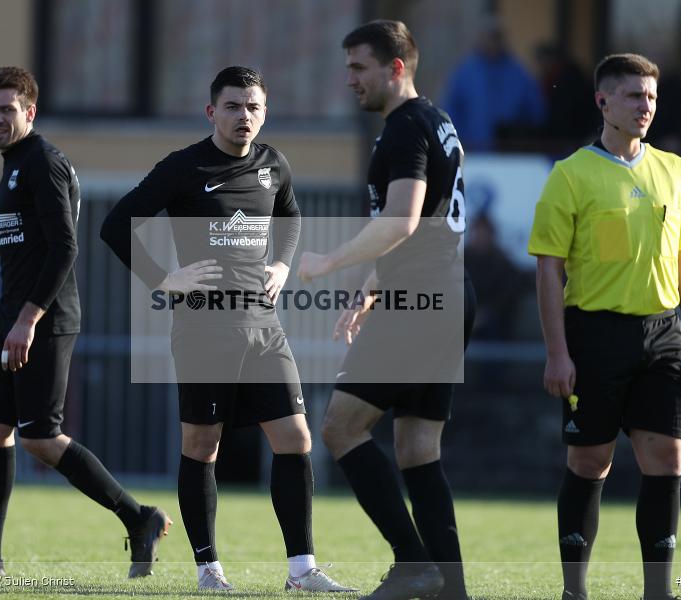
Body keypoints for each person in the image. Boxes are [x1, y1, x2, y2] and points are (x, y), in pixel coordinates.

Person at [100, 66, 355, 594]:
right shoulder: (183, 167)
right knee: (203, 443)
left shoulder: (273, 165)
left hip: (264, 326)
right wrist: (165, 279)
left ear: (265, 111)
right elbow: (114, 223)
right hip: (203, 329)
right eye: (234, 106)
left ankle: (302, 570)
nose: (245, 116)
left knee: (295, 438)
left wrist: (283, 265)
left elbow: (291, 217)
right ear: (211, 111)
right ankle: (208, 569)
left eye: (254, 107)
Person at [0, 66, 171, 578]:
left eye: (6, 110)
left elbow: (65, 248)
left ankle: (139, 516)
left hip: (44, 320)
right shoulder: (13, 163)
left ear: (29, 111)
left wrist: (29, 319)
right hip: (10, 317)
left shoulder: (44, 162)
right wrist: (12, 318)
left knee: (39, 436)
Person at [527, 53, 681, 600]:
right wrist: (557, 352)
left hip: (663, 333)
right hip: (594, 334)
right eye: (634, 96)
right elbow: (548, 268)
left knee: (668, 456)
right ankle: (574, 590)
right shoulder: (570, 175)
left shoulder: (674, 170)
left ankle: (658, 591)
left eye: (651, 98)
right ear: (602, 101)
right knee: (591, 460)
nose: (646, 107)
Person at [298, 20, 475, 600]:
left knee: (340, 427)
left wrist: (329, 264)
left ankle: (413, 563)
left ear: (395, 67)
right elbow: (421, 229)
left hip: (421, 300)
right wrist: (369, 291)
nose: (349, 79)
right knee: (418, 448)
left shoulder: (404, 128)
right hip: (446, 293)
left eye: (359, 67)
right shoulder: (436, 121)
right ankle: (450, 587)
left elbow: (400, 221)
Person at [439, 17, 544, 151]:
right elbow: (448, 111)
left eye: (497, 37)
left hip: (510, 156)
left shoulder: (519, 73)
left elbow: (535, 112)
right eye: (490, 36)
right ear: (481, 38)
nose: (493, 42)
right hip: (472, 153)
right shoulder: (464, 72)